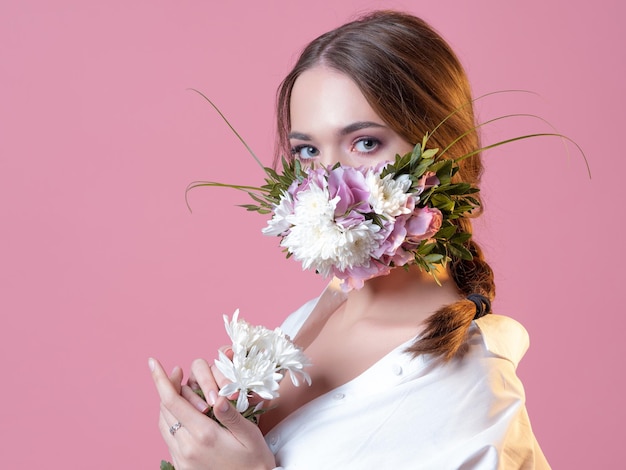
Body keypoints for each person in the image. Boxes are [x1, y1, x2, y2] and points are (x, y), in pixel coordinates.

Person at [150, 10, 550, 469]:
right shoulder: (312, 318)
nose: (328, 184)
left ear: (442, 156)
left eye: (364, 143)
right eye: (307, 151)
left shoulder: (475, 403)